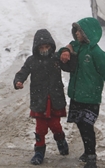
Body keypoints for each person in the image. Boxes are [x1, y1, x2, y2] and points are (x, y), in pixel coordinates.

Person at [60, 17, 105, 168]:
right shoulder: (76, 46)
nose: (77, 34)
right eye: (76, 31)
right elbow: (65, 48)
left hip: (91, 98)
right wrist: (65, 51)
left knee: (87, 126)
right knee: (80, 125)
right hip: (76, 95)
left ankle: (92, 157)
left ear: (89, 33)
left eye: (80, 31)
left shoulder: (97, 53)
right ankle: (87, 151)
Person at [13, 29, 77, 165]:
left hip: (54, 98)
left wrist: (69, 55)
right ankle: (39, 151)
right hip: (39, 99)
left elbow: (70, 67)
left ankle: (60, 139)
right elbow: (23, 72)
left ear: (51, 46)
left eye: (47, 47)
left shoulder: (56, 58)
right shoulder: (32, 60)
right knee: (40, 128)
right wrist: (18, 81)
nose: (44, 50)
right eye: (41, 47)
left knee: (55, 125)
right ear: (36, 48)